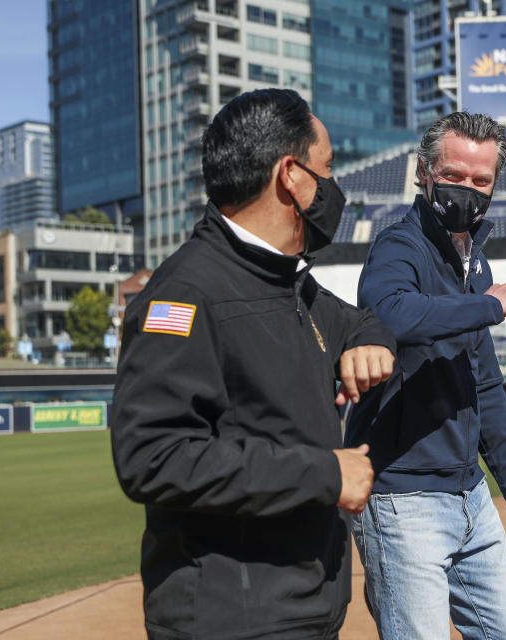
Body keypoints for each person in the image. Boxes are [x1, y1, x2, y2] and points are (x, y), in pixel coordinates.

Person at [110, 89, 396, 640]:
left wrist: (371, 343)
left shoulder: (287, 281)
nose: (333, 188)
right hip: (233, 620)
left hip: (301, 607)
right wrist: (325, 472)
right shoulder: (183, 296)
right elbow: (152, 456)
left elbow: (360, 322)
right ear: (291, 175)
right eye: (327, 169)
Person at [344, 112, 506, 639]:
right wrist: (486, 307)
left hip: (471, 497)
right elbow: (390, 313)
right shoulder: (398, 247)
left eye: (481, 181)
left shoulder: (474, 262)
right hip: (401, 499)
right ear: (424, 172)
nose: (468, 190)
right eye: (455, 176)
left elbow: (484, 385)